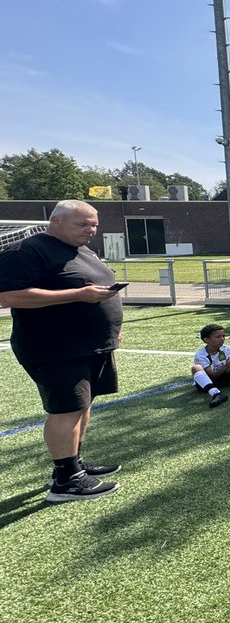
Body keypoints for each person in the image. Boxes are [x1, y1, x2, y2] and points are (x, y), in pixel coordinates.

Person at [0, 200, 125, 503]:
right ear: (55, 221)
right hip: (55, 346)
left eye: (94, 224)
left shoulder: (82, 250)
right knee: (66, 408)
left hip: (91, 344)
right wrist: (80, 294)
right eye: (83, 224)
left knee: (83, 404)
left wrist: (111, 328)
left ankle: (73, 465)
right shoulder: (28, 250)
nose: (91, 230)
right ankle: (66, 482)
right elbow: (9, 296)